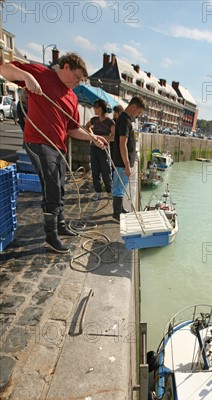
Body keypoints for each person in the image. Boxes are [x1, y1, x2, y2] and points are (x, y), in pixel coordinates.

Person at [0, 53, 108, 253]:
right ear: (65, 67)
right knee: (51, 184)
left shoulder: (72, 98)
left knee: (59, 186)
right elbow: (4, 69)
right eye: (77, 77)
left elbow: (73, 129)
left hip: (57, 146)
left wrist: (94, 138)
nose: (78, 82)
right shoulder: (41, 74)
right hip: (38, 141)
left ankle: (60, 224)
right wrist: (27, 77)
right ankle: (50, 236)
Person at [111, 95, 145, 221]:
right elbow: (122, 143)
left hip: (121, 160)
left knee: (120, 186)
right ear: (134, 107)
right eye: (139, 112)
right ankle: (117, 213)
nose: (137, 115)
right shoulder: (125, 120)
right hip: (121, 161)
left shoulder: (124, 119)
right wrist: (126, 164)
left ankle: (119, 210)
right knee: (119, 188)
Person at [86, 99, 115, 200]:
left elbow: (114, 136)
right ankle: (98, 192)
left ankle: (109, 191)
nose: (93, 109)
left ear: (100, 108)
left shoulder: (110, 122)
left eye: (95, 107)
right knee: (95, 170)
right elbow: (87, 126)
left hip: (104, 149)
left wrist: (100, 137)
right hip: (94, 148)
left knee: (106, 170)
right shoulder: (94, 119)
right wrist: (93, 136)